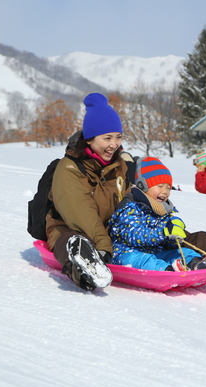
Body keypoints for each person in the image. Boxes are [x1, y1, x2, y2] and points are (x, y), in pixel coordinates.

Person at [46, 92, 134, 292]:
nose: (114, 144)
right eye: (107, 138)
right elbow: (80, 211)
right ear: (89, 139)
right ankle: (83, 266)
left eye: (118, 137)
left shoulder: (119, 166)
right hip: (69, 228)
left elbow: (129, 201)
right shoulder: (69, 168)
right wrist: (103, 244)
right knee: (72, 240)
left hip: (107, 234)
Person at [108, 157, 206, 271]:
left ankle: (196, 264)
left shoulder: (163, 212)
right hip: (127, 254)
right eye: (160, 186)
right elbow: (135, 235)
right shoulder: (130, 209)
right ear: (143, 186)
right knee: (145, 260)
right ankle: (168, 270)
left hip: (156, 254)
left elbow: (166, 242)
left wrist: (174, 236)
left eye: (168, 188)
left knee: (184, 252)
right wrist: (163, 232)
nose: (165, 191)